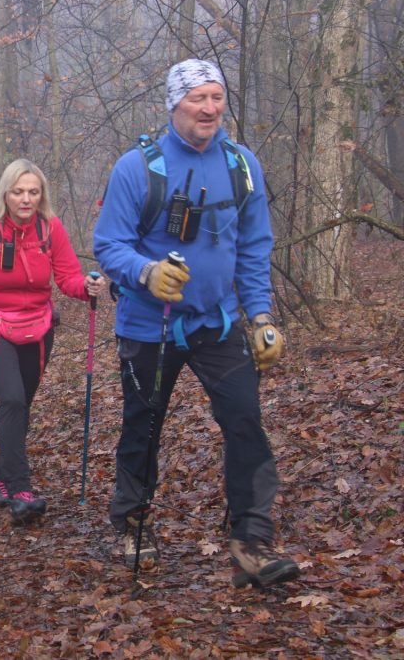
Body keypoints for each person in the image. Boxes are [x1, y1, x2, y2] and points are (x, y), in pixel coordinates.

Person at [93, 58, 298, 588]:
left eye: (216, 97)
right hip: (149, 326)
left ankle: (251, 541)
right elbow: (108, 244)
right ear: (173, 105)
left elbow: (254, 248)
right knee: (144, 425)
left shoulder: (242, 164)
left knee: (245, 420)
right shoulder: (137, 168)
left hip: (219, 322)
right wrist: (146, 271)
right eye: (197, 99)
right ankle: (132, 522)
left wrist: (259, 316)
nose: (209, 108)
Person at [0, 159, 106, 523]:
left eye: (33, 192)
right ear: (5, 194)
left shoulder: (51, 229)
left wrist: (87, 289)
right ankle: (20, 490)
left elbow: (68, 277)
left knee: (21, 405)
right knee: (12, 398)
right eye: (18, 192)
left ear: (42, 196)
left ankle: (1, 477)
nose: (25, 199)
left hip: (38, 327)